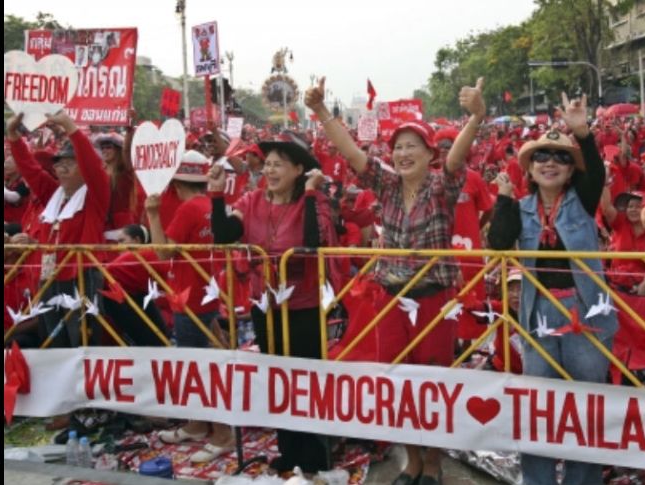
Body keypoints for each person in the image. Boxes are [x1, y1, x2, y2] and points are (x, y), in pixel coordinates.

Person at [305, 76, 485, 485]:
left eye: (412, 146)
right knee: (400, 384)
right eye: (398, 147)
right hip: (391, 299)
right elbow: (352, 154)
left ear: (428, 153)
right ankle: (413, 460)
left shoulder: (443, 186)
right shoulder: (385, 187)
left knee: (434, 381)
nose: (403, 154)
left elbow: (457, 160)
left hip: (434, 299)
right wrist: (319, 111)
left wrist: (475, 117)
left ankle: (434, 461)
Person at [489, 93, 617, 485]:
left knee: (586, 408)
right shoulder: (522, 206)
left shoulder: (582, 200)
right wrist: (505, 201)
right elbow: (498, 242)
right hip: (537, 315)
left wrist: (581, 132)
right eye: (541, 157)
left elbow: (595, 168)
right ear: (528, 169)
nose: (550, 163)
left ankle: (583, 480)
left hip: (586, 315)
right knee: (537, 410)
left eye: (560, 157)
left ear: (570, 169)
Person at [209, 130, 337, 476]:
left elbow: (311, 245)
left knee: (307, 380)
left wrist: (310, 196)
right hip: (264, 306)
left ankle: (315, 451)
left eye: (279, 164)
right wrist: (217, 195)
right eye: (267, 164)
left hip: (304, 307)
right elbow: (223, 234)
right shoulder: (251, 201)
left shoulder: (316, 202)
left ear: (299, 169)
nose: (270, 170)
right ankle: (288, 449)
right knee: (277, 378)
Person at [146, 151, 235, 463]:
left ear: (175, 182)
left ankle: (223, 433)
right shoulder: (212, 205)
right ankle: (197, 424)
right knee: (201, 364)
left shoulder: (188, 208)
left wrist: (153, 215)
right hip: (207, 294)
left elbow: (162, 253)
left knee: (200, 370)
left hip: (191, 298)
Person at [7, 111, 110, 348]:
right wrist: (13, 136)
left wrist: (71, 129)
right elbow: (32, 170)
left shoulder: (95, 195)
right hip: (49, 277)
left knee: (81, 340)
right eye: (59, 163)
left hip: (81, 277)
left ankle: (86, 385)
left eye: (69, 163)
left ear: (84, 168)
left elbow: (93, 165)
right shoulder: (55, 195)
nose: (61, 169)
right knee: (53, 340)